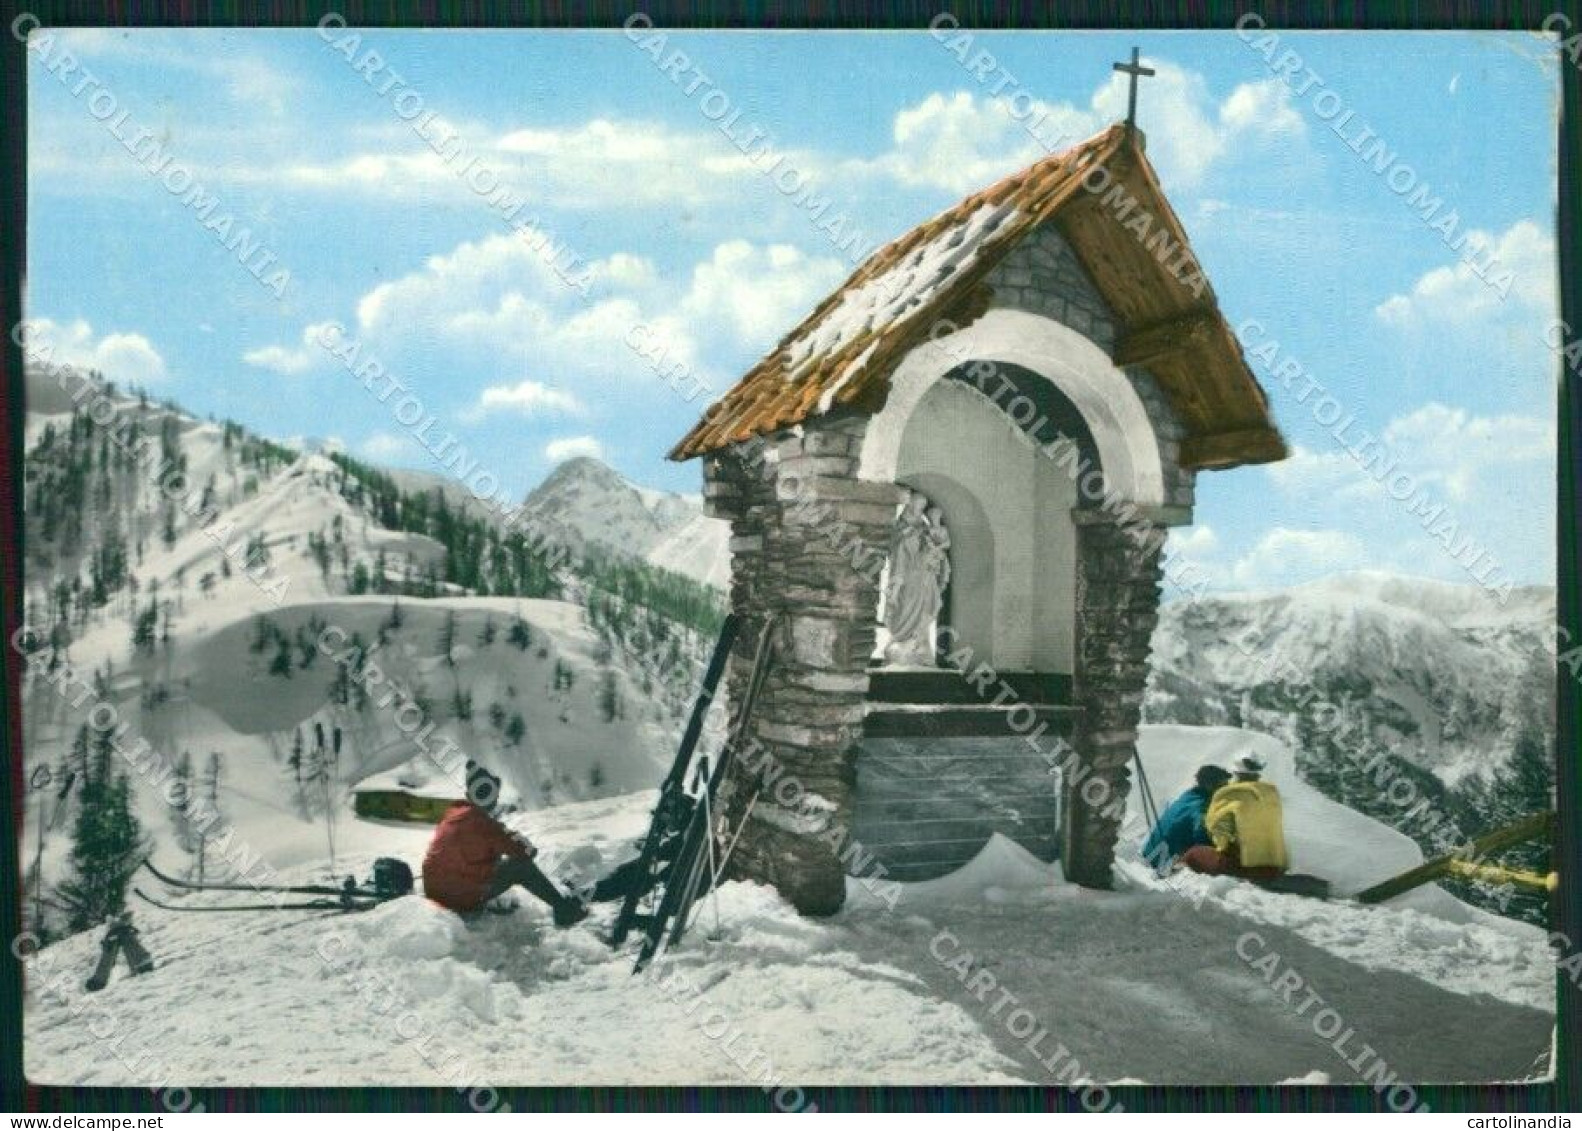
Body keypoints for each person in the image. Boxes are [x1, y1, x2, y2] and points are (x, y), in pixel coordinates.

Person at [422, 760, 588, 926]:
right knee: (520, 866)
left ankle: (483, 900)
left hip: (435, 892)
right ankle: (563, 909)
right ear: (493, 797)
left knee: (493, 858)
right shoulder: (487, 825)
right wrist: (505, 832)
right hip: (457, 899)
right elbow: (526, 852)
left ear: (468, 795)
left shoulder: (452, 814)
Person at [1179, 752, 1289, 880]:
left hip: (1244, 869)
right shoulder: (1272, 792)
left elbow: (1218, 830)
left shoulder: (1229, 794)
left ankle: (1169, 882)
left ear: (1236, 773)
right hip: (1274, 869)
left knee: (1193, 853)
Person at [1141, 764, 1232, 872]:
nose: (1227, 789)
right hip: (1162, 864)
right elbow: (1203, 838)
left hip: (1149, 853)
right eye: (1223, 785)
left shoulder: (1188, 796)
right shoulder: (1200, 807)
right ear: (1210, 786)